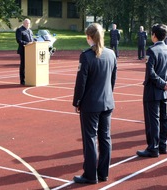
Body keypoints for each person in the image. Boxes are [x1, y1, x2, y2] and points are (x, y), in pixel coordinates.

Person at [72, 23, 117, 184]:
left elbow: (81, 83)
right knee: (105, 138)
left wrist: (77, 101)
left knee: (90, 138)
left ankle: (90, 175)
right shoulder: (111, 54)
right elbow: (112, 80)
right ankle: (103, 173)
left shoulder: (86, 56)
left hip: (91, 104)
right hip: (107, 102)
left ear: (89, 37)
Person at [136, 24, 167, 157]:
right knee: (164, 118)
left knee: (153, 120)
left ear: (154, 35)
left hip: (153, 90)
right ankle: (163, 145)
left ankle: (153, 147)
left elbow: (151, 72)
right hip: (165, 90)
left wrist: (163, 83)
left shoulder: (152, 50)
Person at [16, 18, 35, 85]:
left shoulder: (30, 31)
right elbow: (19, 40)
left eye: (29, 23)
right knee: (23, 65)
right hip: (23, 50)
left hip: (31, 51)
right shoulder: (19, 30)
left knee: (30, 65)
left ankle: (30, 79)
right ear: (23, 23)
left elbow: (32, 39)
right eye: (26, 23)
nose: (28, 24)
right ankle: (22, 80)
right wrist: (27, 43)